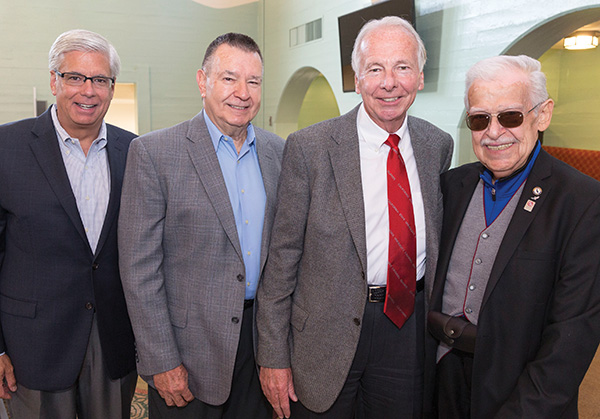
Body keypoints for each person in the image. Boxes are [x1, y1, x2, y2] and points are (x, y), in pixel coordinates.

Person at [256, 16, 453, 419]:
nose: (389, 82)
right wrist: (273, 356)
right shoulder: (310, 148)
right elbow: (281, 261)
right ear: (357, 78)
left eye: (402, 67)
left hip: (407, 330)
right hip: (324, 338)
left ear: (419, 76)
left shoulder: (438, 146)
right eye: (375, 69)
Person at [118, 32, 284, 418]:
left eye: (254, 81)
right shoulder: (154, 153)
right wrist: (161, 360)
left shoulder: (279, 153)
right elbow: (139, 270)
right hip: (187, 354)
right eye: (229, 78)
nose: (242, 92)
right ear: (202, 81)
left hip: (259, 347)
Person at [425, 54, 600, 418]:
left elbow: (571, 339)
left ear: (543, 115)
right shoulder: (450, 186)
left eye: (510, 116)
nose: (493, 132)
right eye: (479, 119)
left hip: (520, 393)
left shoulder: (582, 202)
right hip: (440, 381)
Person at [0, 29, 137, 418]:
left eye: (100, 80)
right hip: (33, 346)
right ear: (54, 81)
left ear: (112, 88)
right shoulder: (6, 148)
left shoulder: (135, 151)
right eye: (75, 77)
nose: (87, 91)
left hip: (112, 342)